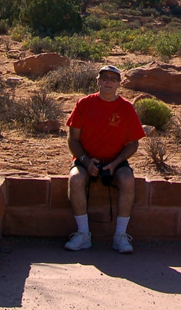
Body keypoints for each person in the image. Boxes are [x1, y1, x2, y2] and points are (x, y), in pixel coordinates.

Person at [64, 64, 145, 253]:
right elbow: (72, 139)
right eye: (105, 78)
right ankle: (83, 234)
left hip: (115, 161)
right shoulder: (83, 104)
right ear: (98, 81)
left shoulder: (126, 108)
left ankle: (120, 236)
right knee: (75, 179)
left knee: (127, 180)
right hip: (86, 159)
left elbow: (133, 143)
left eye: (113, 79)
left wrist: (116, 163)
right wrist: (85, 161)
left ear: (118, 84)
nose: (108, 82)